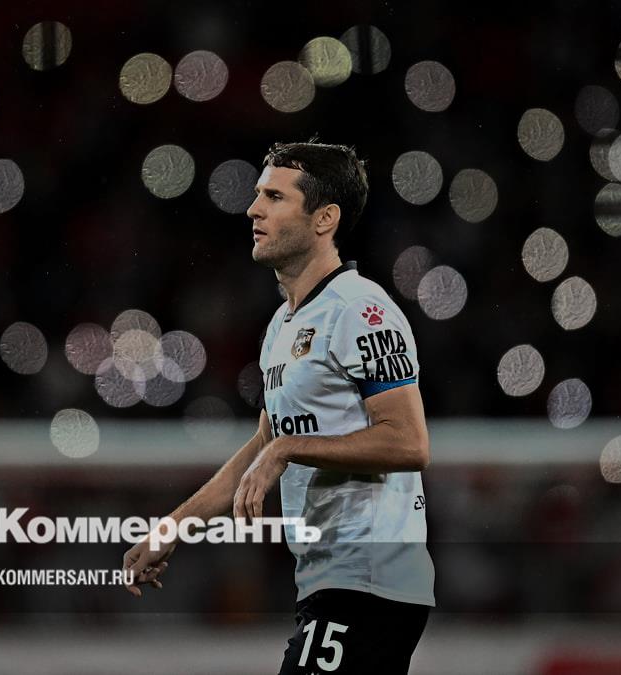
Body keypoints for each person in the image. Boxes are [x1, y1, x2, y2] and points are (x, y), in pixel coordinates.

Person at [123, 141, 434, 674]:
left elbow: (408, 442)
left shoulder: (361, 309)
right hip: (327, 581)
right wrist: (172, 527)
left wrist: (287, 449)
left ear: (324, 218)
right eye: (257, 195)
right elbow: (265, 444)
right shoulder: (283, 324)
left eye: (274, 197)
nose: (253, 210)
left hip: (371, 578)